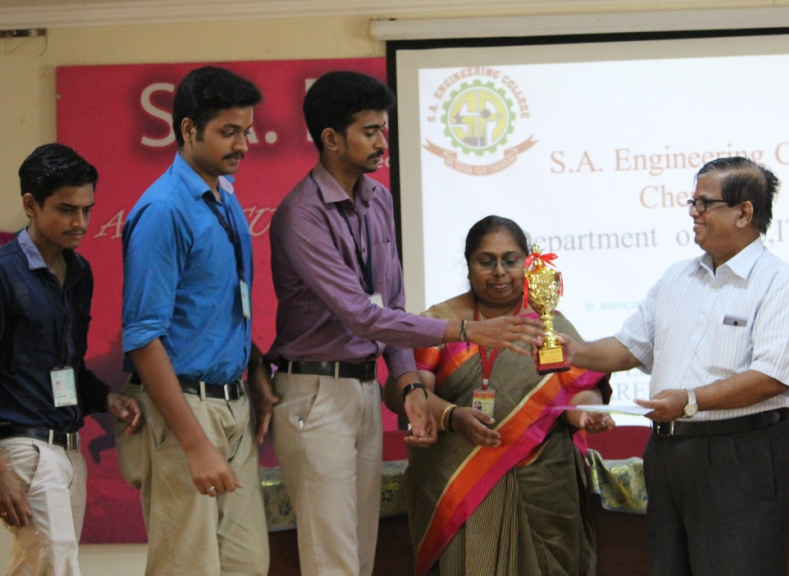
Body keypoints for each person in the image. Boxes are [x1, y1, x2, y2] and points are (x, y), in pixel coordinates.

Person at [266, 72, 542, 576]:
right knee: (332, 559)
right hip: (314, 392)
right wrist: (465, 330)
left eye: (383, 129)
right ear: (331, 139)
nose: (382, 141)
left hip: (364, 388)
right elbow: (362, 315)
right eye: (370, 131)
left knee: (361, 554)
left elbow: (391, 303)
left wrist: (410, 384)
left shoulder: (377, 199)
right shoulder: (301, 214)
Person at [560, 156, 789, 576]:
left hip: (741, 454)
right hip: (669, 454)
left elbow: (772, 377)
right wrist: (573, 352)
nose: (693, 213)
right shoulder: (677, 278)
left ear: (744, 212)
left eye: (704, 203)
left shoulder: (779, 284)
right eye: (692, 202)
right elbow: (630, 347)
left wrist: (691, 400)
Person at [384, 215, 614, 576]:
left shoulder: (547, 324)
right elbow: (408, 392)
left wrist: (588, 412)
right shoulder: (442, 321)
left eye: (510, 260)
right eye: (486, 261)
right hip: (459, 484)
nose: (500, 272)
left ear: (527, 262)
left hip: (543, 486)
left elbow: (576, 391)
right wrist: (451, 417)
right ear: (468, 265)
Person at [117, 66, 274, 576]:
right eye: (229, 132)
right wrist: (195, 444)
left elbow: (215, 307)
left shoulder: (223, 196)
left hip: (232, 404)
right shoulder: (164, 210)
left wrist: (254, 367)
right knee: (187, 568)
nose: (243, 145)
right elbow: (143, 338)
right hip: (185, 411)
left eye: (246, 131)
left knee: (247, 565)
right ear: (188, 130)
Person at [0, 143, 141, 575]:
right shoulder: (3, 271)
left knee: (38, 568)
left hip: (69, 448)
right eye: (66, 209)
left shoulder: (80, 272)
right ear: (31, 204)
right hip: (21, 447)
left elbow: (68, 365)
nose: (80, 222)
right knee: (59, 566)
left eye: (86, 209)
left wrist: (107, 399)